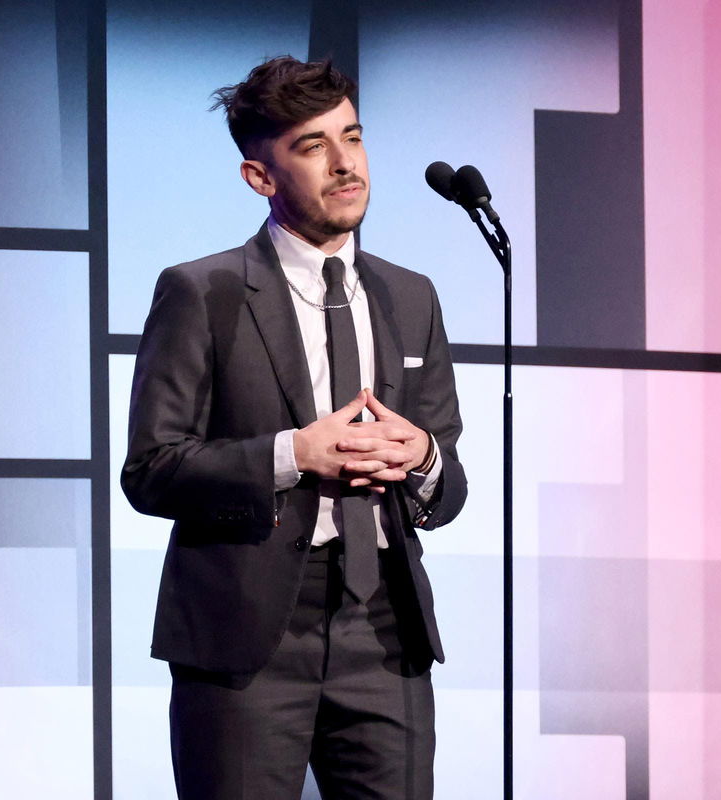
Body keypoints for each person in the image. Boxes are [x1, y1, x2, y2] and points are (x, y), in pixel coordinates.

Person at [121, 55, 467, 800]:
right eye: (313, 147)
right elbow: (150, 468)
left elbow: (450, 482)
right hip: (248, 637)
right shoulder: (201, 291)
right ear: (260, 176)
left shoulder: (412, 296)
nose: (346, 165)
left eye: (353, 136)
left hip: (384, 629)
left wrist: (425, 458)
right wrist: (293, 454)